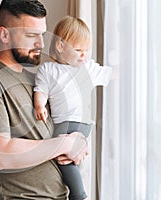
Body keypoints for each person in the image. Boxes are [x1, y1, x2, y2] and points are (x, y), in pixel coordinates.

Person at [0, 1, 88, 199]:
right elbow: (0, 155)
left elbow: (62, 127)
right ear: (4, 34)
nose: (40, 44)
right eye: (31, 36)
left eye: (42, 34)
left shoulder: (40, 76)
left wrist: (79, 143)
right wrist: (65, 144)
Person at [34, 16, 112, 200]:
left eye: (87, 50)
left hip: (83, 123)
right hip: (65, 122)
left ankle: (78, 195)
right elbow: (41, 90)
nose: (84, 55)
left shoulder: (88, 68)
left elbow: (111, 74)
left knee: (63, 159)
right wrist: (40, 105)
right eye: (78, 50)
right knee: (67, 160)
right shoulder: (49, 69)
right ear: (60, 46)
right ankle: (78, 192)